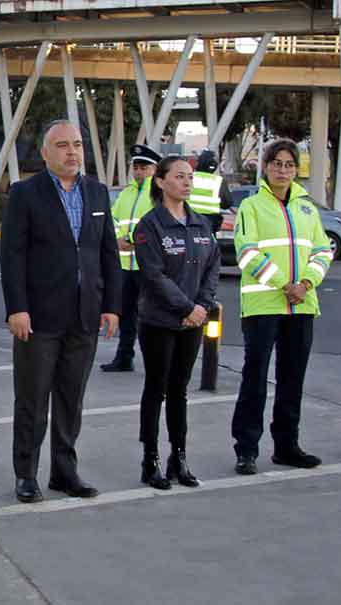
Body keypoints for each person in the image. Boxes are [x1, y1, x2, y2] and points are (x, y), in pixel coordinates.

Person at [0, 120, 121, 504]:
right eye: (63, 145)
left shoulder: (97, 194)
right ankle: (26, 474)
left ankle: (64, 473)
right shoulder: (25, 194)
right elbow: (12, 256)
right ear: (45, 152)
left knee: (72, 399)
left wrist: (112, 307)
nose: (73, 152)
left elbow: (108, 255)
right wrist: (17, 308)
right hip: (38, 318)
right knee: (32, 400)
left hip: (84, 316)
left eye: (78, 145)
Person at [230, 140, 332, 475]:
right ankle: (246, 449)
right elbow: (247, 251)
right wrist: (282, 284)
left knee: (292, 380)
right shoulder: (252, 206)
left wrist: (306, 284)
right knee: (255, 380)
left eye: (290, 165)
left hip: (301, 306)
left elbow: (322, 251)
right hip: (263, 305)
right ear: (266, 167)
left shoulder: (307, 208)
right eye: (277, 163)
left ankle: (287, 446)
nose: (284, 170)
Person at [130, 156, 220, 490]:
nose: (186, 182)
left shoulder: (200, 224)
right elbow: (153, 275)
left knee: (179, 390)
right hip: (159, 320)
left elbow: (212, 267)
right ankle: (149, 459)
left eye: (190, 177)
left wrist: (202, 306)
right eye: (179, 176)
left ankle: (178, 457)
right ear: (161, 181)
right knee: (156, 388)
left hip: (192, 321)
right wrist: (186, 307)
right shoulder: (150, 226)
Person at [101, 144, 161, 373]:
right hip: (126, 265)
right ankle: (124, 357)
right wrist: (117, 241)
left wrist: (140, 241)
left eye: (143, 167)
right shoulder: (126, 194)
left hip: (149, 267)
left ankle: (155, 360)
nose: (138, 171)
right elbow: (112, 222)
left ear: (154, 169)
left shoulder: (158, 194)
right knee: (126, 315)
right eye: (135, 167)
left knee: (151, 316)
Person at [189, 149, 234, 233]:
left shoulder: (189, 178)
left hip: (188, 221)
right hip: (209, 224)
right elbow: (227, 203)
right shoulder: (218, 181)